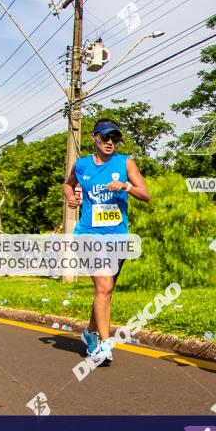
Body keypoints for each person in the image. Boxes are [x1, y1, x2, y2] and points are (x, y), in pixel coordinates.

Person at [63, 119, 150, 365]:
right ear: (94, 138)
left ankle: (89, 333)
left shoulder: (125, 163)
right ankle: (104, 343)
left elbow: (146, 194)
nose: (110, 142)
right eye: (105, 138)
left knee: (106, 290)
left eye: (114, 138)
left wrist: (126, 185)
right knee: (103, 287)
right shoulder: (81, 165)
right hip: (88, 234)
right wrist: (71, 197)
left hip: (117, 236)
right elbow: (68, 185)